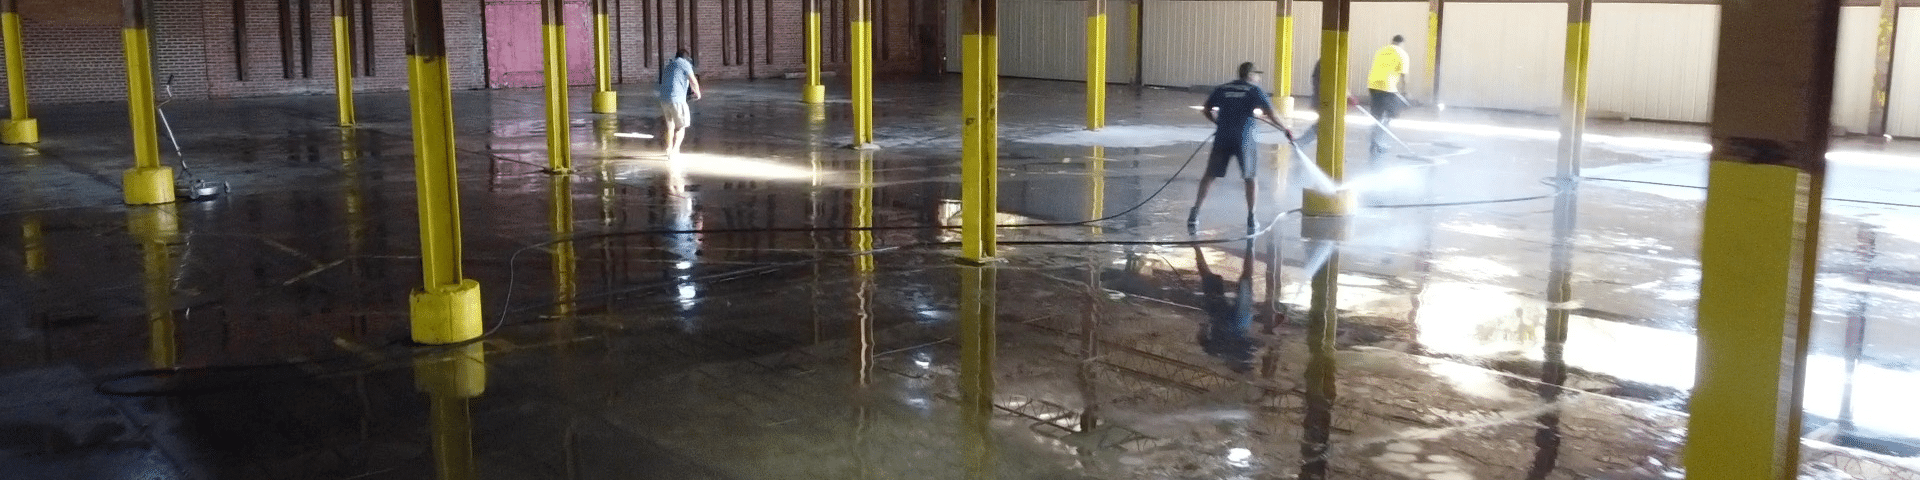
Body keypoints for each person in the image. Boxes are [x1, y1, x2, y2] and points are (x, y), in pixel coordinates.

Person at [1193, 61, 1291, 234]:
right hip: (1245, 140)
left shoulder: (1223, 88)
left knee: (1209, 176)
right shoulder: (1253, 90)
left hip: (1222, 138)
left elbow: (1207, 109)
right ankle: (1252, 218)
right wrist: (1285, 129)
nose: (1258, 79)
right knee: (1250, 178)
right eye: (1257, 75)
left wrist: (1218, 122)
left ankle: (1194, 214)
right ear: (1251, 75)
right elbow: (1271, 113)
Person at [1193, 240, 1257, 373]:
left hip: (1237, 321)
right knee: (1207, 276)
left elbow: (1255, 341)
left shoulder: (1219, 352)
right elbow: (1201, 338)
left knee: (1246, 278)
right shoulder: (1217, 352)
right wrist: (1204, 324)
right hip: (1224, 319)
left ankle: (1251, 243)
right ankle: (1196, 246)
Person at [1366, 35, 1412, 158]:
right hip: (1387, 87)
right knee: (1390, 115)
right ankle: (1376, 142)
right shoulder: (1402, 54)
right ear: (1402, 43)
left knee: (1378, 115)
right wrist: (1405, 92)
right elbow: (1404, 76)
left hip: (1372, 85)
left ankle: (1375, 140)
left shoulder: (1382, 50)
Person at [658, 48, 703, 155]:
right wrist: (698, 93)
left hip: (664, 99)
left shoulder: (669, 65)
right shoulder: (685, 64)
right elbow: (693, 80)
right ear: (686, 58)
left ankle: (668, 149)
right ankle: (675, 150)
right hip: (677, 100)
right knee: (681, 126)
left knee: (670, 126)